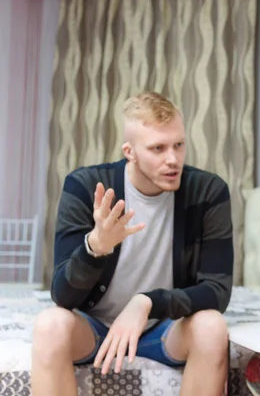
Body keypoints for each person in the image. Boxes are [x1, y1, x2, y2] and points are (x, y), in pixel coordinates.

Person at [31, 91, 234, 396]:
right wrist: (96, 247)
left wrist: (147, 301)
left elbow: (217, 292)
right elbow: (63, 295)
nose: (173, 159)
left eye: (179, 145)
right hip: (95, 328)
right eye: (158, 148)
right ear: (130, 151)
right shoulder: (85, 186)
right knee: (50, 325)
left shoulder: (208, 191)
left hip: (165, 330)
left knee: (212, 326)